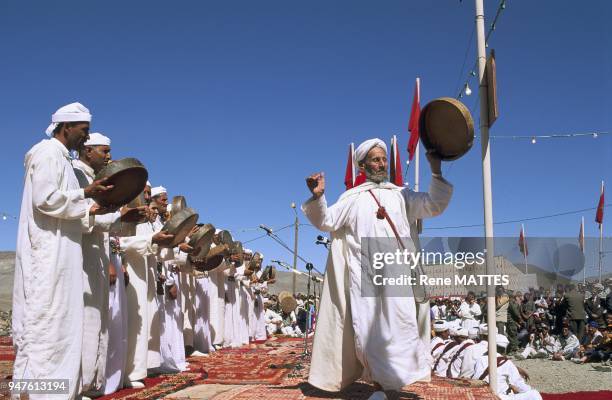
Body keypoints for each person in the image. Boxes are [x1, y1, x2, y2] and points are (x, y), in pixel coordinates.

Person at [303, 138, 452, 398]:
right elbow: (326, 221)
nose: (381, 163)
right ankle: (382, 386)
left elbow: (433, 205)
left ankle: (388, 386)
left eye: (383, 158)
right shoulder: (352, 198)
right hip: (366, 277)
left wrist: (436, 171)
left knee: (400, 328)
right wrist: (318, 197)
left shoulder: (401, 194)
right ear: (362, 165)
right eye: (375, 159)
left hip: (398, 275)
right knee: (370, 333)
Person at [12, 103, 116, 399]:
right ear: (66, 126)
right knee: (44, 325)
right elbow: (45, 199)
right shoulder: (46, 153)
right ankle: (34, 392)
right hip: (48, 254)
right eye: (83, 131)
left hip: (65, 252)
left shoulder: (63, 160)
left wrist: (92, 207)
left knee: (63, 326)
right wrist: (86, 193)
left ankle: (59, 392)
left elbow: (72, 212)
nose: (86, 137)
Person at [473, 335, 542, 400]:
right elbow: (518, 384)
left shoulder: (480, 359)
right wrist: (529, 389)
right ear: (504, 350)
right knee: (534, 394)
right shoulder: (507, 362)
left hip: (481, 395)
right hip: (499, 397)